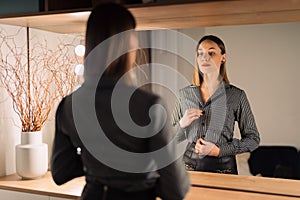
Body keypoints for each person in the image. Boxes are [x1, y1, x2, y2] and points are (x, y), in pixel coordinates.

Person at [51, 3, 190, 200]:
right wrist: (146, 181)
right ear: (128, 43)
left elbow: (61, 172)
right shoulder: (149, 105)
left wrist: (97, 166)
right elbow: (176, 189)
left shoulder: (68, 105)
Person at [172, 35, 260, 174]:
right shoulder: (184, 94)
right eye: (200, 53)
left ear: (223, 57)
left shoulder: (237, 96)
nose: (204, 58)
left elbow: (253, 139)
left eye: (211, 53)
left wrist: (219, 150)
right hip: (188, 168)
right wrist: (182, 123)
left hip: (224, 168)